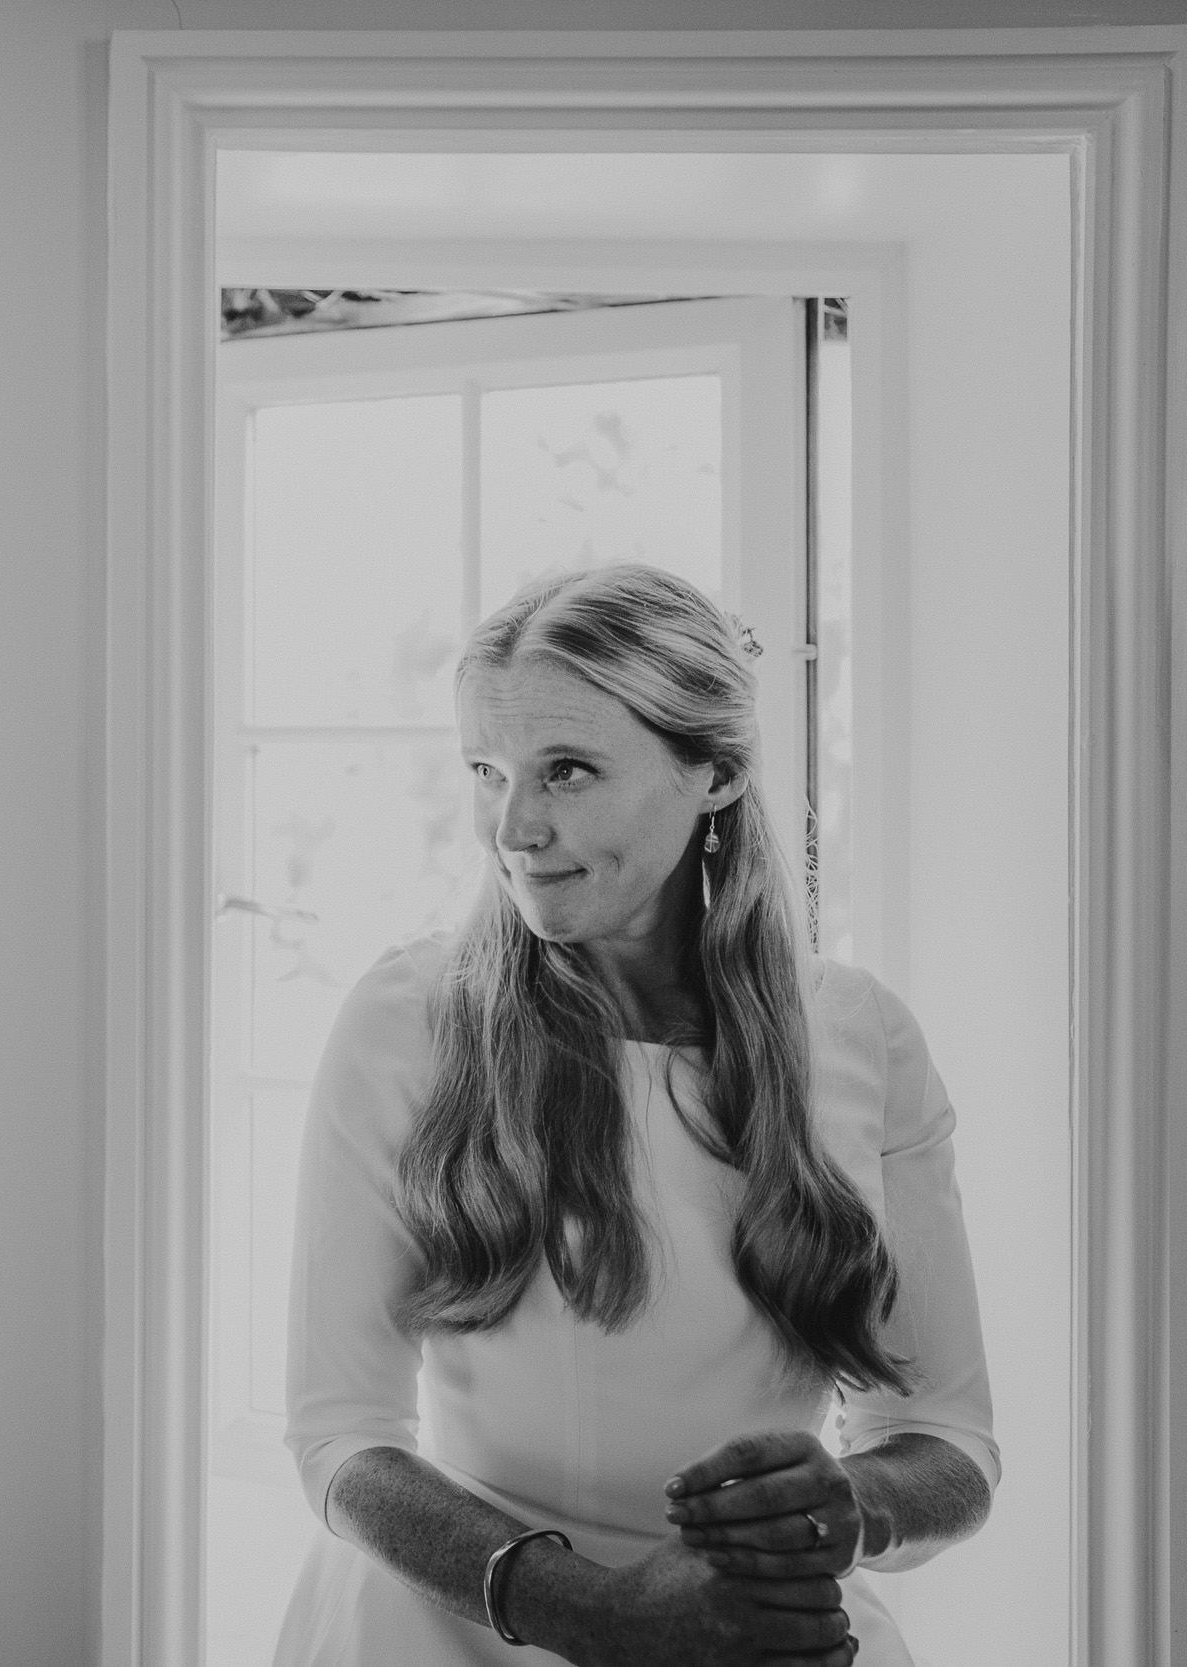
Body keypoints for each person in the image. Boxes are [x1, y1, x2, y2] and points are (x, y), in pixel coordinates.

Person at [276, 564, 995, 1667]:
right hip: (440, 1627)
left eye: (565, 769)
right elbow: (342, 1439)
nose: (511, 825)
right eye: (486, 769)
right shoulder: (406, 1019)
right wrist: (592, 1612)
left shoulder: (862, 1037)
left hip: (762, 1636)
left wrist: (846, 1505)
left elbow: (948, 1441)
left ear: (709, 770)